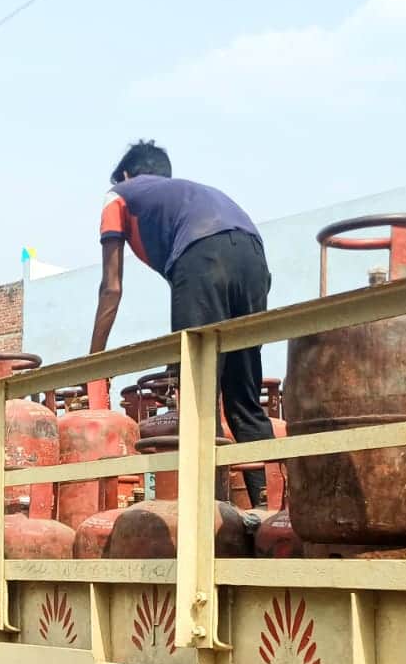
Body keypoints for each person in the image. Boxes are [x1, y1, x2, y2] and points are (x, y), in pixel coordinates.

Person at [89, 140, 276, 506]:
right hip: (254, 256)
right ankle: (266, 507)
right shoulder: (192, 194)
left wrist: (93, 361)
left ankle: (205, 515)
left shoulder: (118, 195)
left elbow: (111, 288)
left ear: (127, 174)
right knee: (244, 396)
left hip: (201, 255)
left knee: (198, 399)